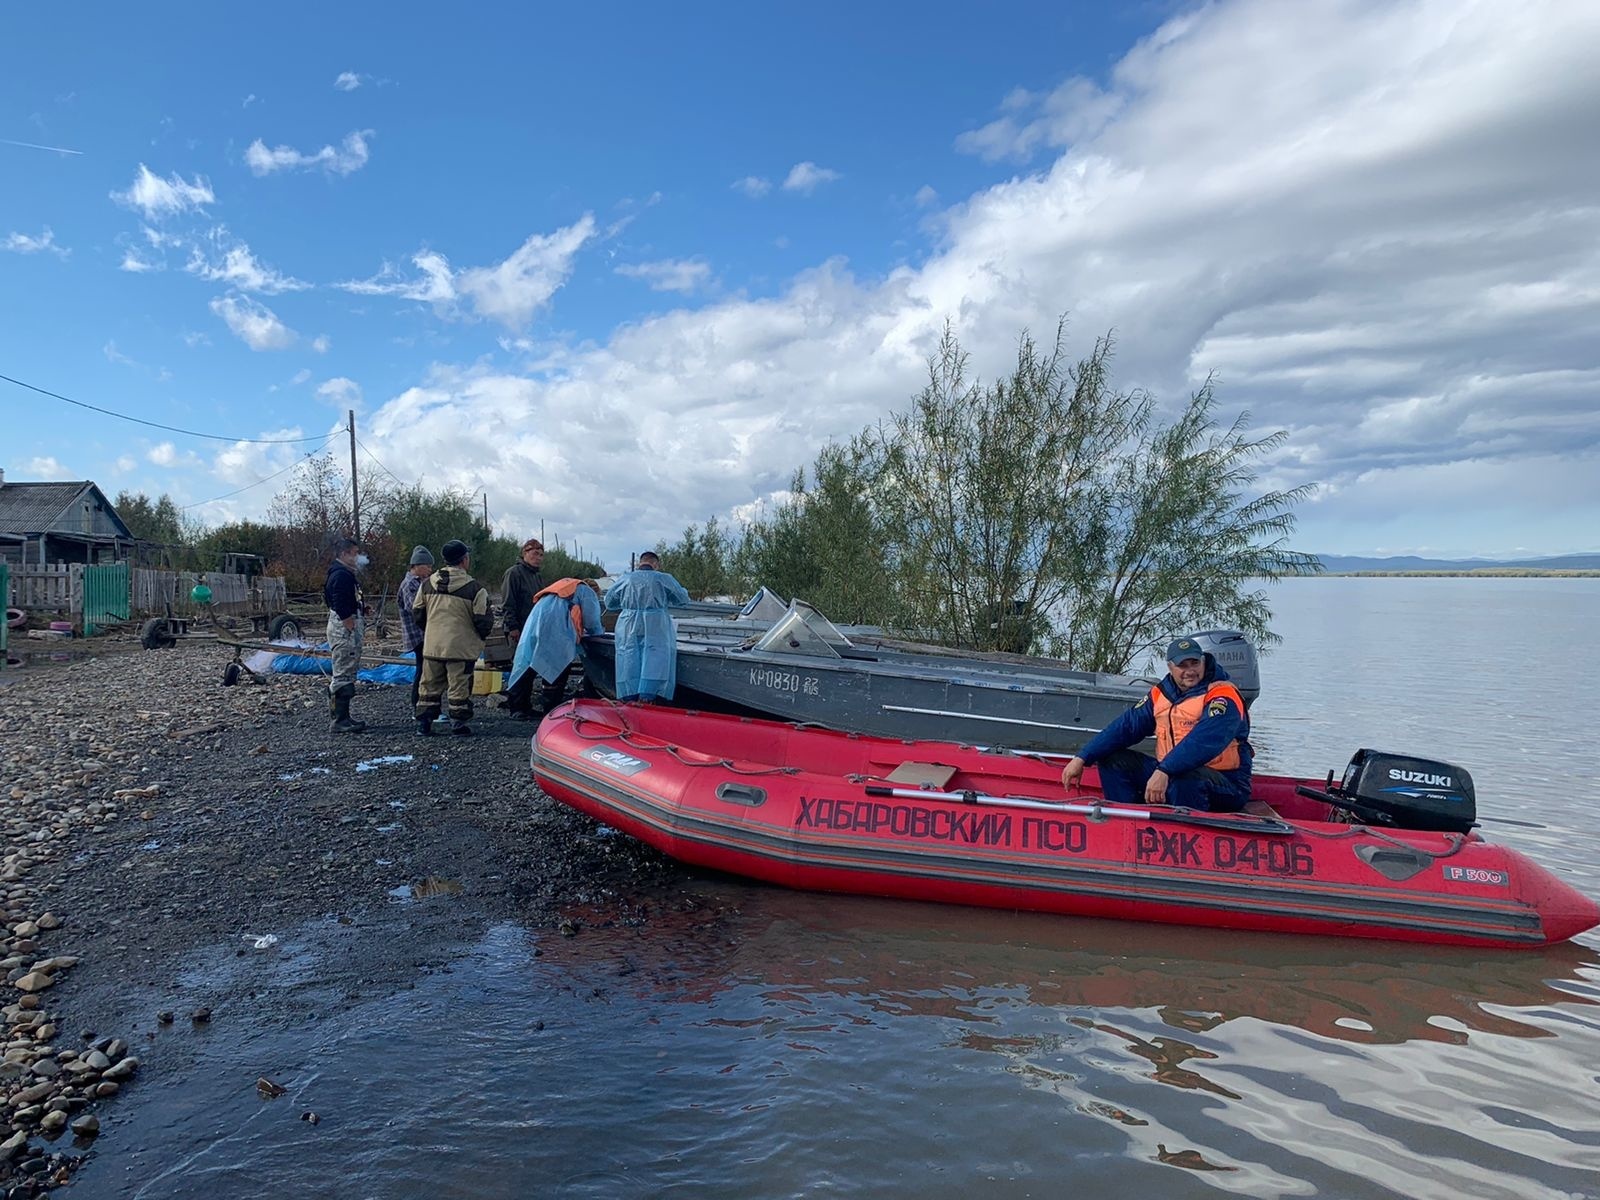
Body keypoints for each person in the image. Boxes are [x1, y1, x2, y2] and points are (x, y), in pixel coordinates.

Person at [1059, 636, 1253, 812]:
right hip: (1171, 772)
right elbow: (1126, 727)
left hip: (1226, 783)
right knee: (1113, 759)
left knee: (1185, 776)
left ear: (1203, 661)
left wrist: (1164, 771)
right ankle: (1127, 820)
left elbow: (1205, 741)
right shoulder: (1161, 693)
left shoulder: (1223, 695)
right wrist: (1083, 757)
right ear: (1170, 667)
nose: (1189, 671)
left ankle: (1186, 831)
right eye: (1182, 665)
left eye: (1194, 663)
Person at [413, 539, 493, 736]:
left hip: (433, 645)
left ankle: (424, 723)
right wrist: (478, 637)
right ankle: (458, 723)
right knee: (459, 684)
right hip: (461, 647)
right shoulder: (475, 588)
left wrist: (431, 630)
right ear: (464, 560)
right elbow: (483, 620)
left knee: (429, 685)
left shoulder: (427, 584)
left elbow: (417, 613)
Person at [506, 578, 603, 717]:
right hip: (557, 629)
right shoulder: (587, 592)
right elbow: (592, 620)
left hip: (535, 624)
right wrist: (597, 635)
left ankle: (518, 708)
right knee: (557, 668)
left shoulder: (562, 587)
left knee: (526, 664)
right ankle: (551, 709)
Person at [604, 551, 690, 702]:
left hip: (628, 623)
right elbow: (682, 599)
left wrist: (628, 604)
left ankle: (629, 697)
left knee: (628, 656)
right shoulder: (663, 579)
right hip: (656, 623)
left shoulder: (625, 579)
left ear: (639, 563)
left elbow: (610, 602)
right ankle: (650, 697)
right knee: (656, 657)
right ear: (656, 564)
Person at [323, 537, 369, 734]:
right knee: (342, 671)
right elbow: (338, 600)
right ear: (344, 554)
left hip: (347, 624)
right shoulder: (341, 575)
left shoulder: (344, 574)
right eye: (354, 553)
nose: (357, 557)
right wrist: (348, 622)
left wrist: (360, 608)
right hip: (343, 629)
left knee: (347, 670)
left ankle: (344, 717)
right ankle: (339, 719)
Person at [499, 538, 546, 718]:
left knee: (530, 668)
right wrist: (513, 627)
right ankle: (516, 707)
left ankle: (526, 706)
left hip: (532, 629)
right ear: (525, 553)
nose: (538, 558)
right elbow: (507, 603)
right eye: (535, 553)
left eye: (541, 555)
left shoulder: (537, 576)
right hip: (518, 629)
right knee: (518, 667)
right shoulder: (514, 573)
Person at [397, 545, 434, 711]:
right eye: (427, 566)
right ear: (417, 565)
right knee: (423, 671)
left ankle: (423, 704)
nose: (430, 570)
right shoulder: (409, 584)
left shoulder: (419, 582)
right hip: (417, 635)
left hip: (424, 633)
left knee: (426, 670)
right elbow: (415, 608)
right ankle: (418, 704)